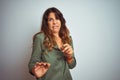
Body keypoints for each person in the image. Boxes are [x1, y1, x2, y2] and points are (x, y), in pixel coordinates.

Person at [28, 7, 76, 80]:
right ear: (46, 23)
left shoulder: (68, 38)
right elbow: (32, 63)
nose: (55, 22)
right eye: (51, 20)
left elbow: (72, 65)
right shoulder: (40, 38)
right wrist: (35, 71)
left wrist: (69, 57)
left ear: (61, 21)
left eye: (57, 19)